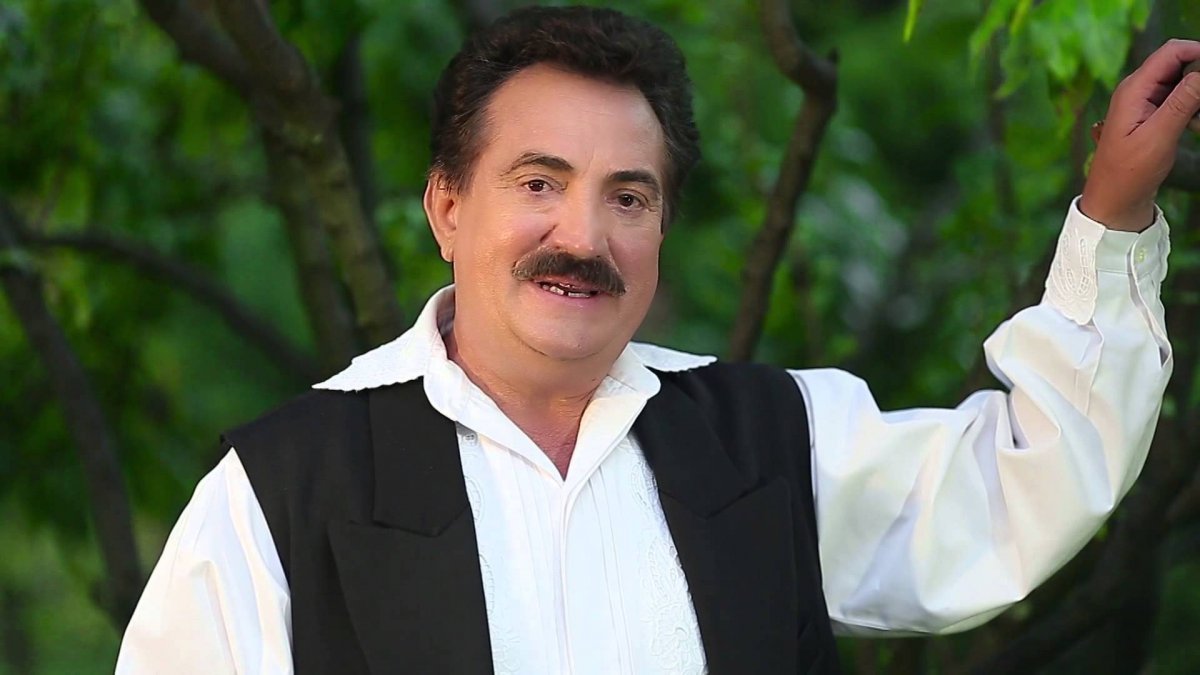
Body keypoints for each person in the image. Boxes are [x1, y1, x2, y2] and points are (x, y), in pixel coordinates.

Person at [115, 6, 1199, 674]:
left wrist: (1112, 215)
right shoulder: (280, 491)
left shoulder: (768, 443)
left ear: (662, 228)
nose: (582, 238)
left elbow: (1022, 488)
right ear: (446, 206)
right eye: (538, 183)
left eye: (627, 197)